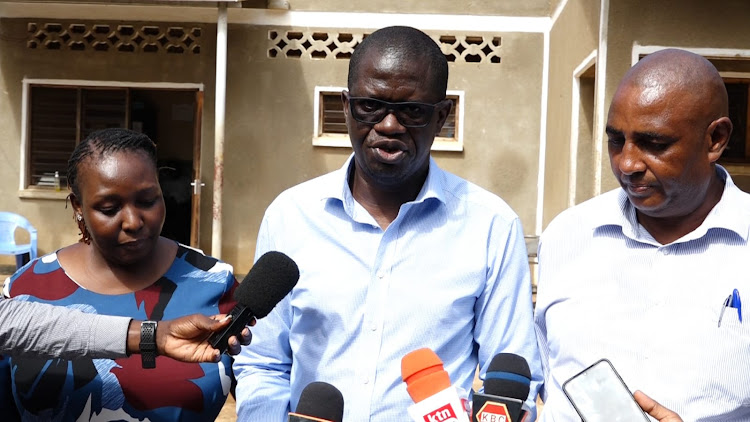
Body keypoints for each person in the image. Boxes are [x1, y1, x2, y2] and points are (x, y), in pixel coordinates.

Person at [233, 25, 542, 421]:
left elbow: (513, 377)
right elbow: (263, 364)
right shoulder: (290, 217)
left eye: (412, 111)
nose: (390, 125)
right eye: (370, 106)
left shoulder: (491, 226)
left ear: (442, 116)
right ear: (346, 107)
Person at [534, 48, 750, 421]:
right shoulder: (567, 236)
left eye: (654, 143)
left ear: (715, 139)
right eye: (616, 140)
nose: (627, 163)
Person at [1, 128, 241, 421]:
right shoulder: (26, 289)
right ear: (78, 207)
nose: (133, 221)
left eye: (148, 201)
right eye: (109, 208)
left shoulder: (216, 284)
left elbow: (261, 385)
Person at [0, 298, 250, 361]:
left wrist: (158, 336)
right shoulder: (24, 283)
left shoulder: (218, 277)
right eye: (109, 208)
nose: (131, 221)